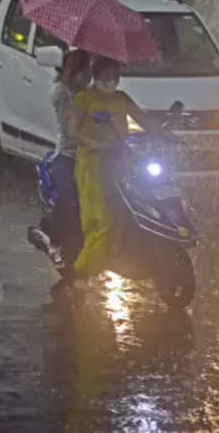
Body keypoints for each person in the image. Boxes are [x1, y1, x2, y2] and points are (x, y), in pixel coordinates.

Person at [69, 56, 154, 282]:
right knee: (101, 220)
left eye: (115, 77)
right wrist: (95, 145)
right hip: (93, 163)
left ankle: (116, 257)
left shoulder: (122, 98)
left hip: (121, 162)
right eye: (106, 77)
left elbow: (144, 120)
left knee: (124, 212)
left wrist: (167, 133)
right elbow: (74, 132)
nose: (111, 82)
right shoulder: (83, 98)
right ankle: (79, 273)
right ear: (96, 76)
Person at [47, 49, 94, 284]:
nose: (89, 76)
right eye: (85, 71)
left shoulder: (92, 93)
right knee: (68, 198)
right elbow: (71, 132)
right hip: (67, 156)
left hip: (95, 156)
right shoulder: (61, 94)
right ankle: (56, 239)